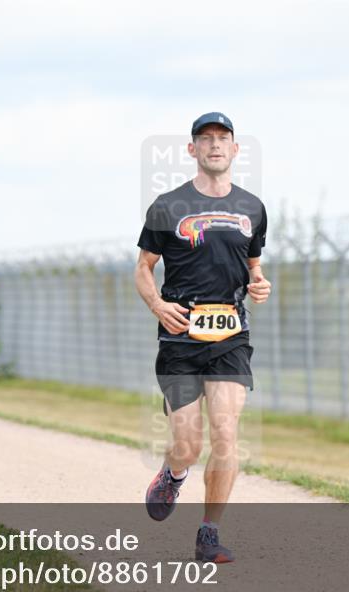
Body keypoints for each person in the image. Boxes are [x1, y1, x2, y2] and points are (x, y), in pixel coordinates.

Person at [135, 112, 271, 563]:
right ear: (192, 150)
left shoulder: (253, 208)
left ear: (235, 149)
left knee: (227, 434)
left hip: (231, 337)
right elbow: (143, 269)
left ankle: (209, 531)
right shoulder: (167, 206)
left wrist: (260, 284)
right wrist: (158, 305)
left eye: (223, 138)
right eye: (205, 139)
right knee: (189, 446)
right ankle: (174, 474)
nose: (215, 145)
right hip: (180, 341)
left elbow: (254, 267)